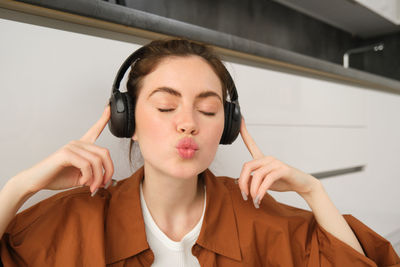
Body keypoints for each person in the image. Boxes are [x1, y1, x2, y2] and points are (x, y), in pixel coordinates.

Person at [0, 38, 399, 267]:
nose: (188, 122)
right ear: (127, 122)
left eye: (208, 110)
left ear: (225, 127)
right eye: (165, 107)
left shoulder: (260, 216)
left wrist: (312, 190)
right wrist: (20, 187)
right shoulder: (75, 219)